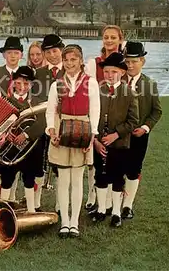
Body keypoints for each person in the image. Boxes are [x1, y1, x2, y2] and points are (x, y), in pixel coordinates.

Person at [45, 45, 100, 238]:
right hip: (62, 130)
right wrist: (51, 130)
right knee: (63, 180)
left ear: (80, 60)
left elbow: (95, 111)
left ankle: (74, 222)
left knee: (77, 180)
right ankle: (64, 222)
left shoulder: (91, 83)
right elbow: (50, 110)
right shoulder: (56, 84)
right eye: (66, 60)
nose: (69, 63)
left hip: (82, 130)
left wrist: (92, 135)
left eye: (73, 60)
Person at [91, 52, 139, 228]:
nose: (109, 75)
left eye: (114, 72)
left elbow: (133, 121)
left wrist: (116, 134)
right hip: (100, 144)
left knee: (118, 178)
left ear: (121, 73)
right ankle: (102, 209)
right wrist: (96, 140)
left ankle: (117, 212)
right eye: (106, 72)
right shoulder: (97, 90)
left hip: (119, 144)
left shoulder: (129, 93)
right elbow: (91, 116)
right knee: (101, 176)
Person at [84, 25, 125, 210]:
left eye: (113, 37)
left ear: (120, 40)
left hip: (118, 119)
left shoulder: (125, 62)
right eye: (106, 37)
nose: (109, 40)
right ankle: (94, 197)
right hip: (98, 116)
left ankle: (111, 203)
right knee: (96, 162)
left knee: (116, 163)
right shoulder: (95, 62)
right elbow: (88, 90)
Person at [121, 42, 162, 219]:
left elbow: (157, 111)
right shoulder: (117, 82)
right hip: (118, 135)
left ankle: (127, 206)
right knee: (115, 169)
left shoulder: (149, 84)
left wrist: (145, 128)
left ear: (142, 61)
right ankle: (111, 204)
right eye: (127, 61)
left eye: (134, 61)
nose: (130, 65)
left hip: (138, 137)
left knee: (133, 169)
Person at [0, 66, 46, 212]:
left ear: (31, 85)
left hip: (30, 149)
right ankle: (3, 210)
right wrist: (6, 133)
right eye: (18, 83)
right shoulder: (5, 101)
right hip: (10, 148)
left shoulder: (37, 102)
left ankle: (31, 210)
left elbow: (42, 123)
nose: (22, 87)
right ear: (13, 82)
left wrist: (26, 134)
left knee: (29, 179)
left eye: (26, 84)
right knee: (6, 179)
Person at [32, 33, 65, 213]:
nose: (52, 55)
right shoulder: (39, 73)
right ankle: (36, 203)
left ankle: (59, 204)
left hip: (61, 125)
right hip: (41, 123)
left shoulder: (68, 71)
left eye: (55, 51)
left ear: (61, 51)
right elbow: (35, 98)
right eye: (48, 52)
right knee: (39, 164)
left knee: (59, 165)